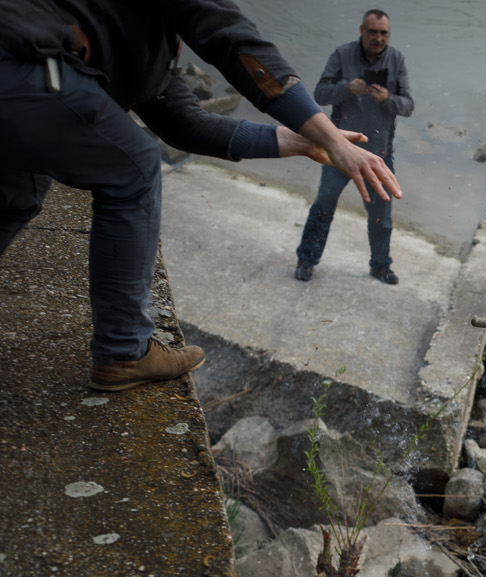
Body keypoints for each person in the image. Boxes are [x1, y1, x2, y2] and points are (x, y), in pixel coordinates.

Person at [0, 0, 401, 392]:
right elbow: (238, 43)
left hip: (19, 72)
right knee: (135, 169)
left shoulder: (134, 30)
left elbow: (184, 124)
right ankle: (124, 351)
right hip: (24, 57)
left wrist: (307, 142)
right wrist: (333, 138)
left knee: (20, 190)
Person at [294, 9, 413, 286]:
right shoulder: (342, 54)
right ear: (362, 30)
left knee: (381, 219)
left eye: (384, 33)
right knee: (323, 207)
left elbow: (408, 105)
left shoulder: (397, 59)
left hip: (378, 154)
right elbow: (320, 94)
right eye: (373, 32)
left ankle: (380, 266)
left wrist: (387, 99)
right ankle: (306, 261)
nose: (378, 38)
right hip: (339, 150)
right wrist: (348, 88)